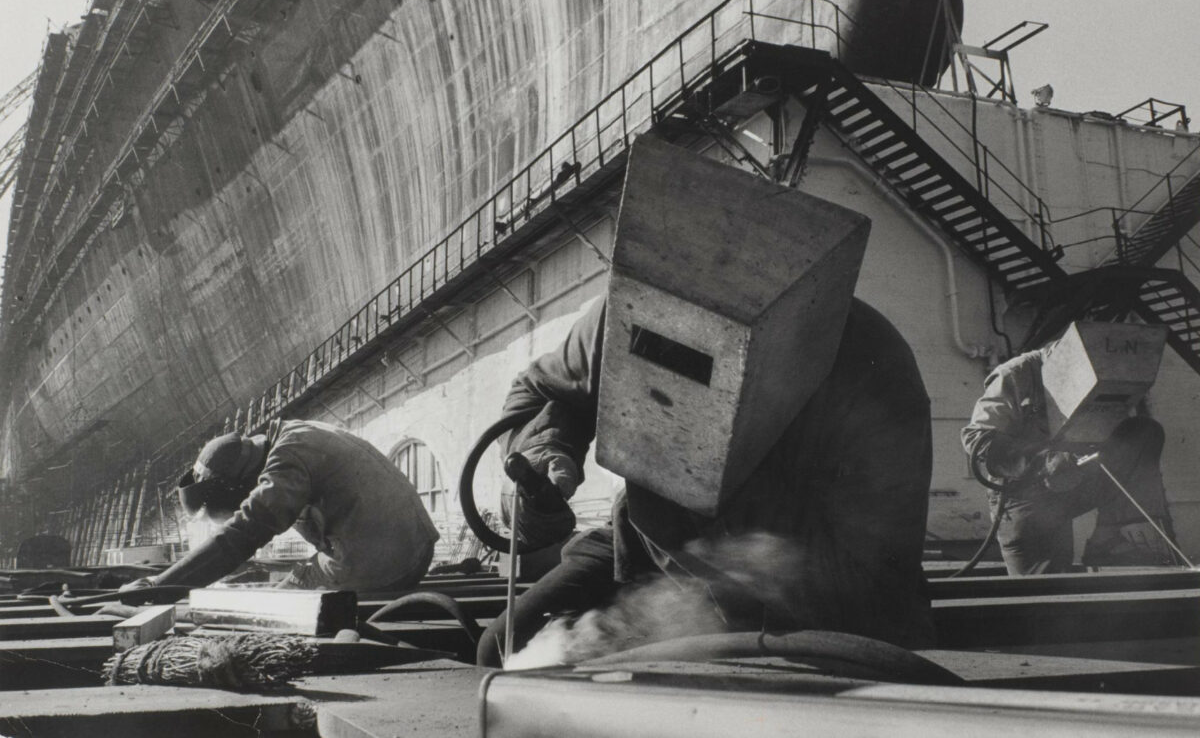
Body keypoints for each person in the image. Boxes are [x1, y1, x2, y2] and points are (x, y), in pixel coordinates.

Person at [477, 296, 936, 666]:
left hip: (800, 576)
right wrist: (544, 450)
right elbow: (545, 390)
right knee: (500, 646)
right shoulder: (628, 310)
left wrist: (655, 620)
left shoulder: (867, 350)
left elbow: (870, 572)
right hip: (642, 538)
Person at [122, 419, 439, 591]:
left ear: (240, 484)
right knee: (295, 578)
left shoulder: (287, 459)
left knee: (276, 608)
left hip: (386, 564)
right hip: (411, 548)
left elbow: (245, 532)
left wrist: (159, 585)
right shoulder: (293, 433)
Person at [961, 344, 1175, 576]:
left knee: (1143, 433)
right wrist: (1044, 462)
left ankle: (1109, 539)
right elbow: (977, 440)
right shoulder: (1015, 374)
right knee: (1047, 595)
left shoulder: (1101, 370)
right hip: (1023, 499)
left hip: (1069, 481)